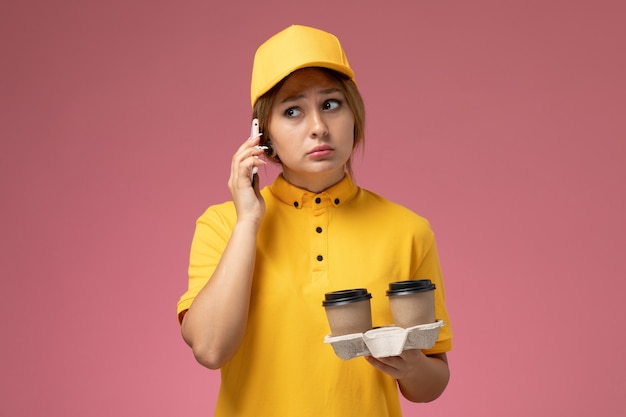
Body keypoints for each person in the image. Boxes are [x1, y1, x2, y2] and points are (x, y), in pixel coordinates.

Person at [177, 24, 452, 416]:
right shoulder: (223, 226)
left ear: (354, 114)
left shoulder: (408, 230)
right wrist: (248, 222)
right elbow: (209, 349)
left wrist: (411, 366)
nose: (318, 127)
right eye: (292, 111)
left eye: (331, 104)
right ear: (262, 135)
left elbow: (431, 384)